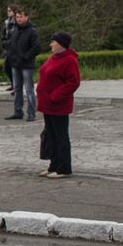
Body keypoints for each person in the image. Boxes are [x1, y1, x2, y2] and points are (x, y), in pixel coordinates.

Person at [36, 31, 81, 177]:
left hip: (58, 104)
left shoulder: (70, 60)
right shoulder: (54, 57)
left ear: (61, 44)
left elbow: (73, 82)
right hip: (47, 104)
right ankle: (53, 165)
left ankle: (64, 168)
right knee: (51, 135)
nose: (51, 44)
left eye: (53, 42)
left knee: (61, 136)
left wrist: (55, 96)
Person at [5, 7, 40, 122]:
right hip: (15, 64)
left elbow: (36, 47)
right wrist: (10, 56)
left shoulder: (32, 31)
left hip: (26, 64)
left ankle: (31, 112)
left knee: (29, 89)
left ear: (27, 17)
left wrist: (26, 57)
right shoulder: (15, 30)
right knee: (17, 88)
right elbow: (11, 45)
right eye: (17, 17)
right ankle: (18, 111)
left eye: (21, 17)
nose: (19, 19)